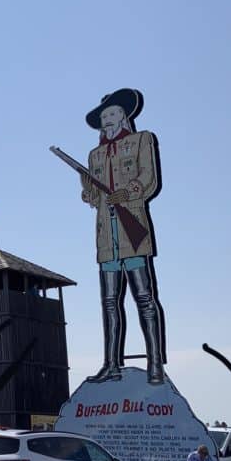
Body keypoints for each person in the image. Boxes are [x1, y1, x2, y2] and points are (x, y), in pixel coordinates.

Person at [79, 88, 168, 385]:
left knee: (144, 298)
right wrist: (88, 188)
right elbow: (92, 198)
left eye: (113, 113)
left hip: (133, 232)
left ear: (124, 115)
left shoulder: (142, 140)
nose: (109, 120)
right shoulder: (95, 155)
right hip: (108, 237)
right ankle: (111, 365)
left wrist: (127, 193)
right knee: (109, 302)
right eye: (105, 116)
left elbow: (149, 179)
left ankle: (155, 364)